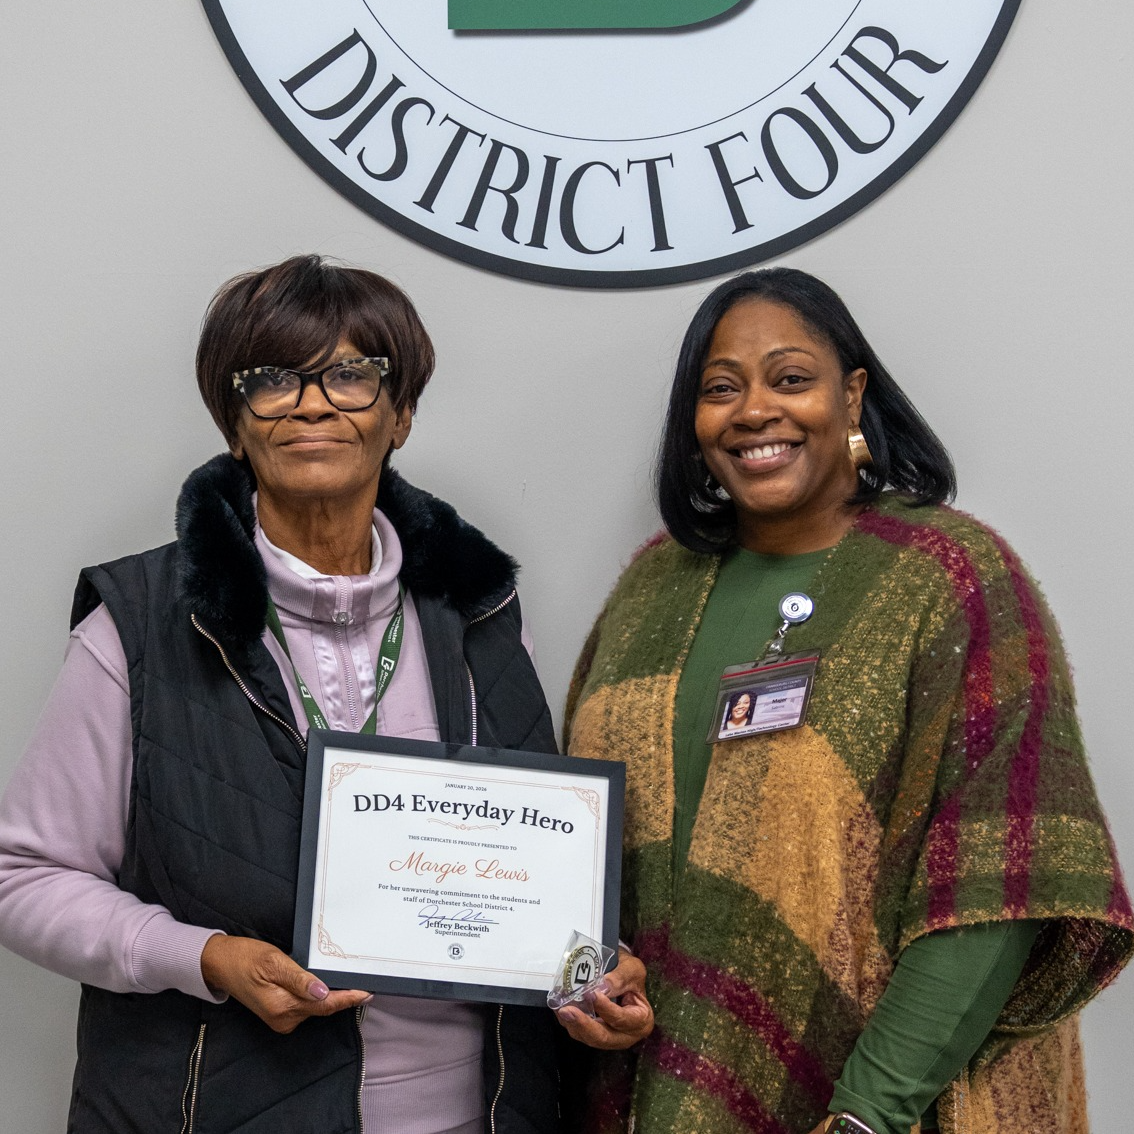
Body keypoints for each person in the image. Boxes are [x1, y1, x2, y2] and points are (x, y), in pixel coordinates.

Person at [0, 254, 648, 1134]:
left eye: (350, 375)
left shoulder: (479, 616)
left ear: (401, 414)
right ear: (236, 425)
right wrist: (205, 957)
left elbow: (531, 874)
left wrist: (594, 976)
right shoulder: (141, 623)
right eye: (272, 380)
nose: (312, 403)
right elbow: (24, 877)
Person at [564, 268, 1133, 1134]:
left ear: (853, 393)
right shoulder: (651, 587)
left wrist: (871, 1112)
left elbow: (1002, 881)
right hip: (654, 1090)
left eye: (790, 379)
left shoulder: (951, 579)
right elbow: (585, 846)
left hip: (884, 1105)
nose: (755, 410)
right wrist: (597, 983)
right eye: (722, 390)